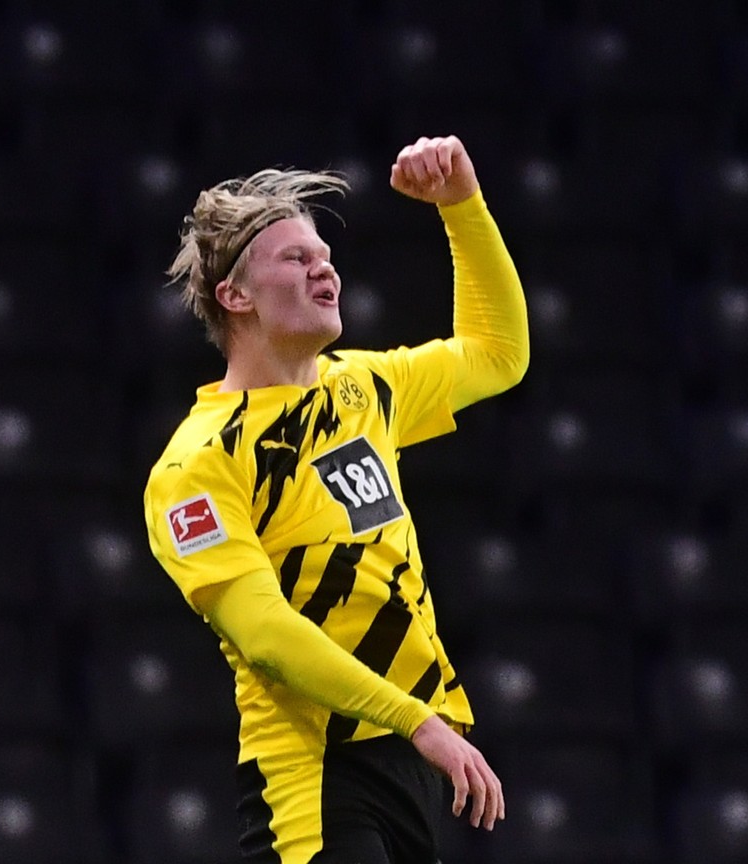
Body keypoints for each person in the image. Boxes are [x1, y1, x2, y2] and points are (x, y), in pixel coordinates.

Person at [142, 135, 526, 864]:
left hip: (412, 757)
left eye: (325, 256)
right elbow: (266, 632)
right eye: (295, 258)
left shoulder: (366, 388)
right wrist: (416, 720)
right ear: (235, 295)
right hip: (314, 771)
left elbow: (499, 354)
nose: (324, 268)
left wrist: (461, 207)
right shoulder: (197, 464)